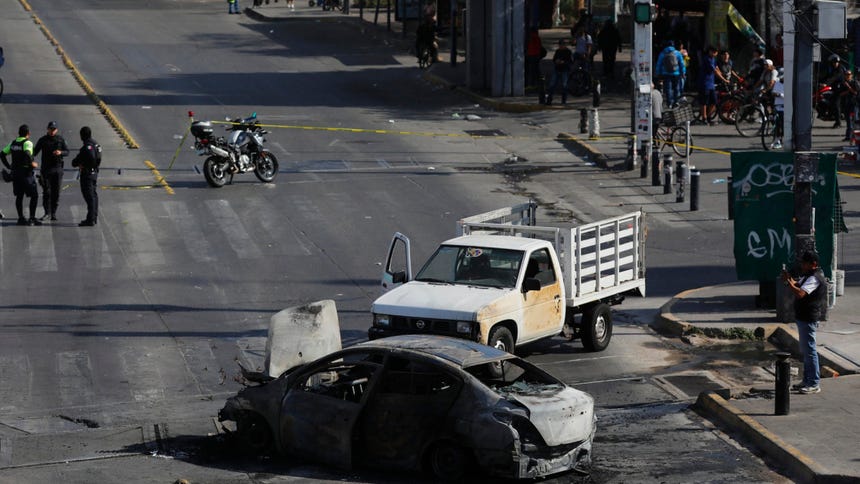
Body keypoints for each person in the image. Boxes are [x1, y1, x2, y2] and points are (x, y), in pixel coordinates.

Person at [781, 251, 827, 395]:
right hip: (803, 317)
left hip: (808, 318)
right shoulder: (808, 276)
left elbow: (801, 293)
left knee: (810, 351)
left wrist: (789, 283)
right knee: (806, 351)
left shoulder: (815, 278)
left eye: (804, 263)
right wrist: (789, 279)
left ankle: (813, 383)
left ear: (813, 264)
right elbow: (798, 285)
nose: (802, 265)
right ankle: (807, 380)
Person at [1, 124, 41, 226]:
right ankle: (32, 218)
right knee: (34, 195)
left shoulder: (13, 143)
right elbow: (28, 154)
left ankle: (21, 218)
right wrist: (32, 163)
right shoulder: (27, 143)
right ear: (28, 134)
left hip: (15, 174)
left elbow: (2, 154)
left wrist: (9, 166)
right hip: (26, 174)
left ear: (19, 133)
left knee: (19, 196)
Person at [32, 121, 69, 221]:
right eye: (50, 129)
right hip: (46, 169)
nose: (52, 131)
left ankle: (53, 213)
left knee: (56, 192)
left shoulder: (60, 140)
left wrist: (60, 152)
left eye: (54, 129)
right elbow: (34, 152)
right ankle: (47, 212)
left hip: (57, 168)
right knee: (46, 192)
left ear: (56, 130)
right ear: (47, 129)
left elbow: (67, 152)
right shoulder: (43, 140)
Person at [71, 126, 101, 227]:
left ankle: (90, 219)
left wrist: (85, 165)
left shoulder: (87, 146)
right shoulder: (96, 144)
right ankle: (94, 217)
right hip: (94, 173)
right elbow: (98, 158)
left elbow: (78, 160)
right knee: (93, 196)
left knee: (89, 197)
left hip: (87, 174)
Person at [656, 40, 685, 108]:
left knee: (668, 88)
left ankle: (669, 103)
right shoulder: (677, 53)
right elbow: (681, 64)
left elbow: (659, 64)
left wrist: (658, 73)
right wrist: (683, 72)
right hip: (676, 73)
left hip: (666, 73)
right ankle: (676, 101)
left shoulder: (662, 53)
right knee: (676, 88)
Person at [546, 39, 573, 105]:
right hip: (557, 69)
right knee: (552, 84)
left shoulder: (568, 52)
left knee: (564, 85)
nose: (560, 46)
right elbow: (554, 59)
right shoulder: (558, 51)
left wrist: (564, 62)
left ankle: (564, 101)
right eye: (560, 45)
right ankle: (549, 100)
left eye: (562, 45)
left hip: (565, 70)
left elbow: (571, 61)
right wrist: (556, 61)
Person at [698, 46, 718, 124]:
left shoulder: (714, 60)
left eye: (715, 52)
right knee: (704, 102)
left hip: (711, 84)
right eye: (712, 51)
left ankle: (709, 116)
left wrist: (723, 76)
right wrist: (724, 80)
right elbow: (715, 71)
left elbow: (717, 69)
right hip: (704, 83)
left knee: (714, 101)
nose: (714, 53)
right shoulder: (707, 59)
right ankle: (704, 118)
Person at [838, 70, 860, 140]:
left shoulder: (854, 82)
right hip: (846, 104)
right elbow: (840, 94)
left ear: (851, 75)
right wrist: (847, 91)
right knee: (848, 121)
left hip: (853, 103)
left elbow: (856, 93)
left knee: (854, 120)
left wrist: (849, 87)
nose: (848, 76)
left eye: (849, 74)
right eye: (846, 74)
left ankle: (854, 136)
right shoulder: (843, 83)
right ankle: (848, 136)